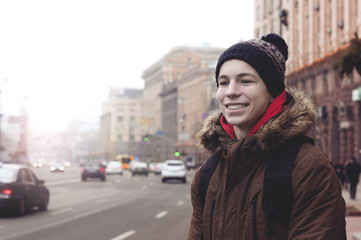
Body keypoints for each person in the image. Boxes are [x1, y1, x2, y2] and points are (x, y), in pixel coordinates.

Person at [187, 33, 346, 239]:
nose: (231, 92)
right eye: (223, 83)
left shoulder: (307, 168)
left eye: (245, 81)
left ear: (273, 92)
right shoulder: (207, 174)